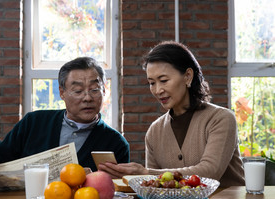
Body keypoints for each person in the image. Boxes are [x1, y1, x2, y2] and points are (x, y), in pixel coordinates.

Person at [0, 57, 130, 172]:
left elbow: (117, 193)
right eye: (78, 91)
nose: (87, 98)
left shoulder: (116, 144)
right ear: (62, 93)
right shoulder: (34, 122)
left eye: (95, 89)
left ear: (104, 91)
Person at [98, 41, 244, 187]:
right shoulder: (154, 132)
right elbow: (156, 188)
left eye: (163, 80)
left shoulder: (221, 119)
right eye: (152, 83)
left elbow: (210, 172)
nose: (157, 90)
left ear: (187, 76)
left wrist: (146, 173)